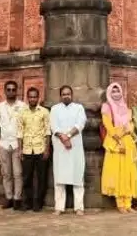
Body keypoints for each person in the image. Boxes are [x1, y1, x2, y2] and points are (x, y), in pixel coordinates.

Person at [100, 83, 137, 214]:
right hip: (115, 141)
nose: (116, 93)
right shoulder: (107, 107)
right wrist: (119, 137)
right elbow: (108, 125)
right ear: (109, 93)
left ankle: (128, 203)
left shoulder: (126, 108)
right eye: (113, 91)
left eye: (118, 91)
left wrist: (128, 130)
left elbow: (131, 125)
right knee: (118, 172)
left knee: (128, 172)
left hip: (127, 141)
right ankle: (120, 203)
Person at [50, 85, 87, 216]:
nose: (66, 96)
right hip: (60, 148)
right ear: (60, 96)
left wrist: (69, 136)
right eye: (64, 94)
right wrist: (63, 138)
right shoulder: (54, 109)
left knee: (78, 176)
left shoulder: (79, 108)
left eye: (68, 94)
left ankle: (79, 207)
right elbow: (53, 126)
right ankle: (59, 207)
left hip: (75, 147)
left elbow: (80, 124)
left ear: (72, 95)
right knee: (59, 178)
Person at [17, 87, 50, 212]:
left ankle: (38, 203)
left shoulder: (44, 112)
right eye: (30, 97)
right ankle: (28, 202)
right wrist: (20, 150)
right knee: (26, 177)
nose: (32, 99)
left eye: (34, 97)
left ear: (38, 97)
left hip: (40, 148)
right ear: (27, 98)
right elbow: (19, 132)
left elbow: (48, 132)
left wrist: (47, 149)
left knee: (42, 178)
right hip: (26, 149)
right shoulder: (22, 112)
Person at [0, 80, 25, 209]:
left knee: (17, 173)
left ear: (17, 91)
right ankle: (9, 197)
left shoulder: (23, 106)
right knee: (6, 173)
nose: (11, 92)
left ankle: (17, 198)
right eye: (9, 89)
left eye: (13, 89)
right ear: (5, 91)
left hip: (17, 143)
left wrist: (22, 146)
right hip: (4, 143)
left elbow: (24, 125)